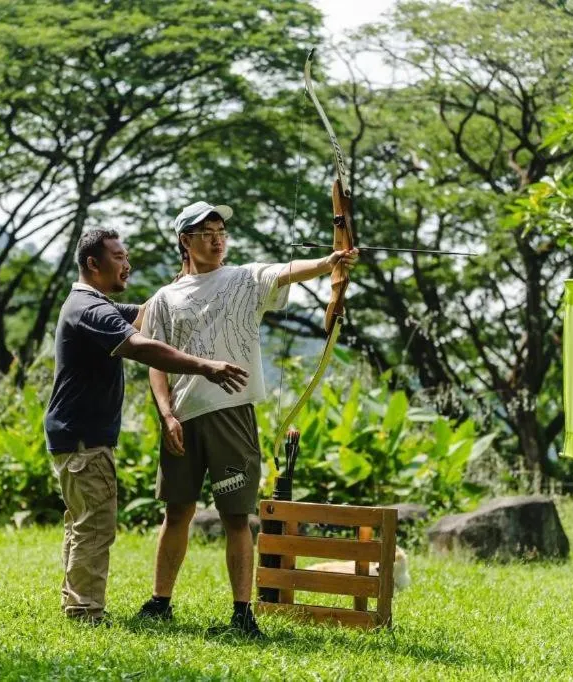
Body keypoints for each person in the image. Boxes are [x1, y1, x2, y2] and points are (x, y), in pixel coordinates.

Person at [135, 201, 357, 638]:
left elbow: (288, 270)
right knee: (176, 512)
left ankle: (241, 613)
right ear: (185, 241)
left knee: (237, 517)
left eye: (221, 231)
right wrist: (166, 415)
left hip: (231, 413)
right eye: (205, 232)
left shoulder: (243, 278)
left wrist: (332, 261)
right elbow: (153, 360)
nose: (217, 239)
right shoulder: (164, 298)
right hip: (181, 416)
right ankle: (161, 602)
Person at [45, 228, 250, 625]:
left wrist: (182, 284)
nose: (127, 264)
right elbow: (141, 345)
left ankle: (77, 604)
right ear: (93, 263)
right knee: (95, 526)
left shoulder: (94, 305)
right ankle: (85, 611)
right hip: (83, 438)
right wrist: (204, 365)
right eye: (119, 257)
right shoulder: (88, 309)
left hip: (75, 435)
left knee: (82, 522)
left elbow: (146, 317)